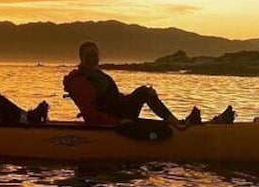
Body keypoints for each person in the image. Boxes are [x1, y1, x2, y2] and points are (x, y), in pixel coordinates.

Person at [63, 41, 234, 128]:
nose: (93, 58)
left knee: (145, 92)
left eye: (95, 55)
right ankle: (178, 124)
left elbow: (113, 97)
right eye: (89, 55)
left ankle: (186, 123)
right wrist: (117, 122)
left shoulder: (99, 75)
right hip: (114, 119)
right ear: (81, 57)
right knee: (144, 92)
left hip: (119, 111)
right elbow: (90, 113)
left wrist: (130, 98)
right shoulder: (80, 80)